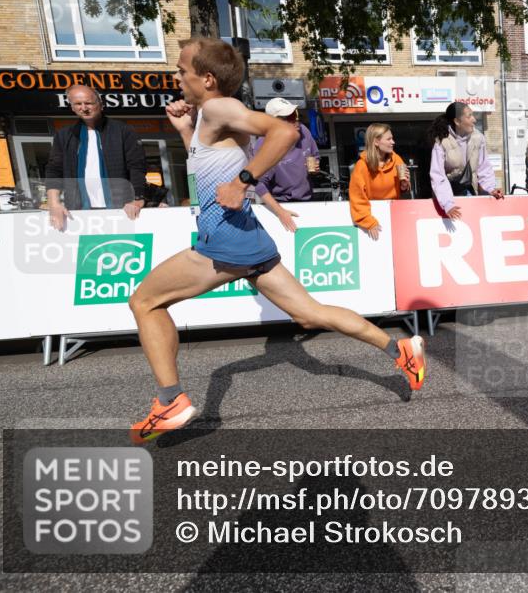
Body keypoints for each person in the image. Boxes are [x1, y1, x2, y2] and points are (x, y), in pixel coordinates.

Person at [128, 37, 426, 445]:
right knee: (310, 314)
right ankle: (400, 350)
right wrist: (184, 130)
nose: (176, 77)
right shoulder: (210, 116)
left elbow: (283, 132)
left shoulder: (217, 108)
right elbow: (209, 166)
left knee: (145, 302)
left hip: (226, 239)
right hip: (247, 236)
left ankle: (170, 400)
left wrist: (242, 182)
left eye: (182, 71)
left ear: (207, 78)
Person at [45, 84, 147, 230]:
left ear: (100, 103)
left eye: (88, 103)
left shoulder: (123, 131)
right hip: (79, 211)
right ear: (72, 107)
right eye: (78, 104)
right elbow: (54, 170)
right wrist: (54, 203)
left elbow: (137, 166)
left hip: (122, 209)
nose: (84, 108)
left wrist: (137, 199)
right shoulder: (64, 135)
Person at [247, 97, 320, 232]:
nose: (296, 120)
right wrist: (280, 212)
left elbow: (315, 157)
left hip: (308, 200)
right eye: (289, 117)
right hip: (281, 205)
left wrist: (315, 168)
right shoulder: (263, 145)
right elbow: (258, 184)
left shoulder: (304, 131)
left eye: (296, 114)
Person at [428, 101, 503, 219]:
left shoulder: (478, 138)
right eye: (469, 116)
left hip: (468, 192)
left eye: (473, 115)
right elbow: (438, 175)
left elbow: (484, 167)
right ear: (457, 121)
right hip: (445, 198)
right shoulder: (442, 142)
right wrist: (447, 204)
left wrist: (491, 188)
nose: (474, 120)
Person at [349, 123, 410, 240]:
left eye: (392, 138)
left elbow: (403, 189)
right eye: (389, 139)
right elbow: (357, 197)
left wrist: (404, 186)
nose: (393, 142)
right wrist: (368, 221)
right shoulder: (362, 166)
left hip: (394, 214)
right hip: (372, 218)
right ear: (376, 142)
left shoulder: (396, 159)